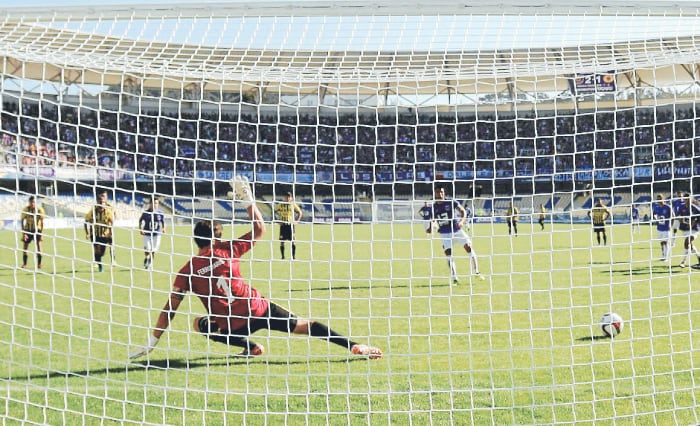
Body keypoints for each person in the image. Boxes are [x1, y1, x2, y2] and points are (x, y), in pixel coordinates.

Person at [129, 176, 382, 360]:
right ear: (217, 236)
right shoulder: (226, 249)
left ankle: (250, 346)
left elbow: (170, 309)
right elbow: (260, 229)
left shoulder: (187, 270)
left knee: (199, 324)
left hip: (232, 326)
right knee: (305, 325)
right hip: (258, 309)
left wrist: (152, 342)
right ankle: (355, 346)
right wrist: (248, 200)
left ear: (195, 239)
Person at [426, 184, 483, 285]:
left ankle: (476, 272)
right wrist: (430, 228)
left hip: (457, 231)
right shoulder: (433, 207)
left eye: (441, 192)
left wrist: (462, 221)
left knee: (469, 247)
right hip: (444, 234)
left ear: (444, 193)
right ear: (435, 193)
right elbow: (433, 220)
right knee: (449, 255)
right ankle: (455, 278)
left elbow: (463, 211)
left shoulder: (451, 202)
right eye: (437, 192)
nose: (439, 194)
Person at [84, 190, 115, 272]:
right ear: (97, 202)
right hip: (94, 234)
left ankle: (109, 259)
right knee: (97, 250)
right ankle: (100, 267)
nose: (101, 204)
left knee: (102, 253)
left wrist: (110, 233)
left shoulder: (108, 211)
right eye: (100, 202)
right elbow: (86, 221)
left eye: (102, 203)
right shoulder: (93, 211)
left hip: (105, 235)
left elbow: (111, 222)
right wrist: (87, 233)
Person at [138, 197, 166, 269]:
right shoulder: (146, 213)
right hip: (147, 234)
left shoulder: (160, 213)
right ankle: (147, 258)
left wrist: (164, 228)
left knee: (153, 250)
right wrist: (140, 229)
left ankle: (149, 263)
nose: (155, 205)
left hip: (157, 234)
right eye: (153, 203)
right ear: (150, 204)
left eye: (156, 203)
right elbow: (140, 220)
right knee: (148, 249)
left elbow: (163, 222)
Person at [274, 192, 302, 259]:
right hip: (283, 225)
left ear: (291, 198)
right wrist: (277, 221)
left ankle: (293, 257)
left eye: (289, 197)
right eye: (286, 197)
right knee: (282, 241)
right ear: (284, 197)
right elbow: (273, 212)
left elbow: (300, 212)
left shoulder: (293, 204)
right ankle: (283, 257)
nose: (287, 198)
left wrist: (297, 221)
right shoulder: (280, 205)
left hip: (290, 225)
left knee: (293, 241)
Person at [20, 195, 45, 269]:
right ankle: (25, 264)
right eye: (31, 202)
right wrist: (24, 233)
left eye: (34, 202)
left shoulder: (40, 210)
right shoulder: (25, 209)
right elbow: (22, 221)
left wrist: (41, 233)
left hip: (37, 230)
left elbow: (42, 222)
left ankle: (39, 264)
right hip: (28, 230)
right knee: (25, 247)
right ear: (29, 202)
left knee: (39, 246)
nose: (32, 204)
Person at [676, 194, 700, 268]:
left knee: (687, 241)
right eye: (685, 199)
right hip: (685, 229)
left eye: (688, 199)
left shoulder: (695, 208)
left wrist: (694, 223)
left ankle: (683, 261)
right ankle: (699, 257)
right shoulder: (681, 207)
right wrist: (679, 219)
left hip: (694, 229)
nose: (687, 200)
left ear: (691, 199)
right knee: (689, 245)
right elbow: (678, 215)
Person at [652, 194, 672, 262]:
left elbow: (673, 216)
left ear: (663, 199)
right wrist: (655, 217)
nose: (659, 200)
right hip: (659, 228)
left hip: (666, 228)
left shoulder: (668, 207)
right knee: (661, 243)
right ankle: (663, 256)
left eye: (660, 199)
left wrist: (670, 225)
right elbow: (654, 214)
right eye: (658, 199)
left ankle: (666, 257)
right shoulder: (656, 207)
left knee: (666, 242)